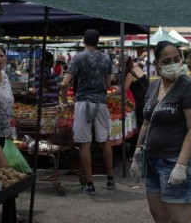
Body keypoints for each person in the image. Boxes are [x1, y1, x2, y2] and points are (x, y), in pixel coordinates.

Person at [129, 41, 191, 223]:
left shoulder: (189, 87)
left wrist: (181, 165)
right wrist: (137, 155)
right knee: (160, 218)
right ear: (157, 64)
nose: (173, 64)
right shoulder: (153, 86)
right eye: (167, 61)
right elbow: (146, 123)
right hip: (153, 162)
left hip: (175, 162)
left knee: (181, 222)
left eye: (176, 59)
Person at [60, 29, 115, 194]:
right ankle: (110, 179)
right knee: (105, 140)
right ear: (98, 42)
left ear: (84, 41)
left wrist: (64, 101)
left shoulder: (78, 57)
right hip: (101, 103)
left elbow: (64, 84)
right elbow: (108, 84)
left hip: (83, 102)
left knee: (85, 143)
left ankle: (90, 184)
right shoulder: (106, 58)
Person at [124, 56, 149, 130]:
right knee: (146, 121)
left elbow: (124, 89)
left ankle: (141, 139)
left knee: (142, 123)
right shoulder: (137, 68)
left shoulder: (130, 74)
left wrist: (111, 93)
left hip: (140, 100)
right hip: (147, 97)